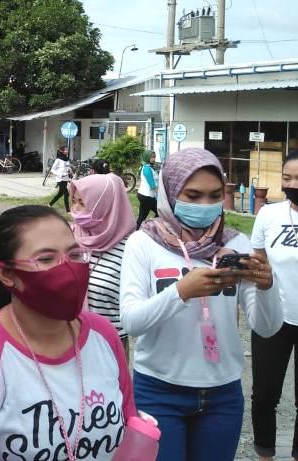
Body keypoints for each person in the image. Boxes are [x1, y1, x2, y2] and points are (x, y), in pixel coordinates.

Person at [0, 205, 135, 460]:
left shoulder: (104, 335)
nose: (68, 269)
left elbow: (129, 429)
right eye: (46, 259)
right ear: (6, 274)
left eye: (74, 254)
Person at [120, 148, 282, 461]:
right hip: (158, 389)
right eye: (192, 195)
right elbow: (131, 321)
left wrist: (266, 287)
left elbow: (266, 326)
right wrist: (181, 291)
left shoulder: (236, 244)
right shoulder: (144, 242)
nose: (205, 205)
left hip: (223, 393)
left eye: (214, 195)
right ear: (169, 192)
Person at [249, 151, 298, 461]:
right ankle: (265, 454)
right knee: (265, 394)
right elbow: (258, 261)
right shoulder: (268, 215)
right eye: (287, 177)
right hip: (273, 318)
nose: (293, 184)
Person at [70, 173, 136, 354]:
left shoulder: (131, 248)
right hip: (68, 339)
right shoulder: (70, 238)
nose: (75, 209)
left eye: (82, 203)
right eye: (73, 201)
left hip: (109, 343)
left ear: (104, 206)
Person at [137, 151, 159, 229]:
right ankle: (139, 230)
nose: (153, 159)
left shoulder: (149, 167)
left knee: (159, 213)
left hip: (147, 195)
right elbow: (152, 185)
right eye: (151, 157)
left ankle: (150, 227)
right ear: (147, 157)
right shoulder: (147, 168)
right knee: (143, 215)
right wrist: (159, 196)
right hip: (147, 196)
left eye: (154, 157)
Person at [49, 147, 72, 212]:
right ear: (62, 151)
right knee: (66, 193)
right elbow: (52, 170)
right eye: (65, 150)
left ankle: (49, 204)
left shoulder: (67, 159)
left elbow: (68, 167)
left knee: (60, 194)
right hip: (60, 179)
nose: (67, 151)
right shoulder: (58, 160)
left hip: (66, 179)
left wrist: (70, 171)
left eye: (67, 150)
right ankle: (68, 210)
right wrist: (60, 174)